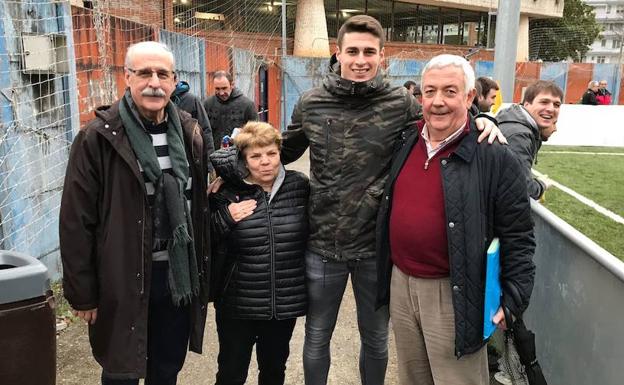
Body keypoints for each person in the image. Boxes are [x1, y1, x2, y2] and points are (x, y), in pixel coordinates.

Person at [279, 15, 504, 385]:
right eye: (352, 51)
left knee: (376, 338)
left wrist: (481, 121)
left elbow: (442, 120)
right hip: (322, 245)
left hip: (377, 249)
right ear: (339, 53)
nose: (360, 60)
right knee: (317, 336)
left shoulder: (400, 102)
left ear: (382, 56)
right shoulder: (312, 103)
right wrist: (231, 163)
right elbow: (282, 152)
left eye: (369, 52)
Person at [376, 54, 536, 385]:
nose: (437, 102)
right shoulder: (406, 140)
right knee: (412, 377)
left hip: (454, 290)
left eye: (450, 92)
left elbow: (518, 234)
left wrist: (514, 296)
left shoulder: (493, 154)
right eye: (429, 91)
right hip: (402, 284)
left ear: (468, 97)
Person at [59, 41, 211, 385]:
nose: (153, 82)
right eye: (144, 73)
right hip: (122, 278)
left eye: (162, 74)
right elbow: (76, 221)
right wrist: (82, 292)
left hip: (176, 277)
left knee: (166, 369)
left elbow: (197, 202)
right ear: (127, 77)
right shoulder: (98, 138)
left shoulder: (188, 132)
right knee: (121, 371)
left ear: (174, 81)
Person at [210, 121, 309, 385]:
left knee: (274, 371)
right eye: (255, 156)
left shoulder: (299, 186)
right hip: (237, 304)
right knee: (231, 371)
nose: (265, 162)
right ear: (244, 159)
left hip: (282, 305)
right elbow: (205, 239)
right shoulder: (227, 192)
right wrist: (225, 218)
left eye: (271, 154)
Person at [497, 80, 562, 200]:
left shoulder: (515, 122)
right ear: (526, 104)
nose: (551, 109)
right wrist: (542, 185)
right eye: (544, 102)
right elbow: (523, 189)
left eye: (556, 105)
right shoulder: (519, 135)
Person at [203, 71, 258, 150]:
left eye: (224, 88)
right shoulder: (207, 104)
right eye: (217, 89)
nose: (221, 93)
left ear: (232, 85)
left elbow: (256, 132)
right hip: (214, 155)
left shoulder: (247, 105)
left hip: (239, 154)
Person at [172, 78, 215, 169]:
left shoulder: (191, 100)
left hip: (191, 159)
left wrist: (209, 163)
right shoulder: (156, 103)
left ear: (175, 81)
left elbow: (205, 130)